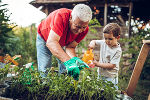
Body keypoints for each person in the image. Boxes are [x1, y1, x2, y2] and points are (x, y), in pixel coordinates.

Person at [36, 4, 92, 80]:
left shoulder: (84, 30)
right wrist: (69, 62)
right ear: (71, 18)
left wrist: (74, 60)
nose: (80, 31)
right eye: (77, 26)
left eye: (83, 27)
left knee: (65, 68)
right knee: (45, 67)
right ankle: (44, 88)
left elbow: (70, 46)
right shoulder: (61, 16)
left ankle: (64, 85)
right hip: (44, 38)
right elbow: (51, 42)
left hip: (60, 41)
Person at [88, 23, 122, 89]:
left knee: (110, 93)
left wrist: (97, 64)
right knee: (99, 91)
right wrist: (92, 45)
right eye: (105, 38)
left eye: (110, 39)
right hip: (100, 74)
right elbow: (94, 41)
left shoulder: (118, 50)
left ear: (117, 37)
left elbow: (112, 65)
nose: (107, 41)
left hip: (110, 77)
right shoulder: (104, 43)